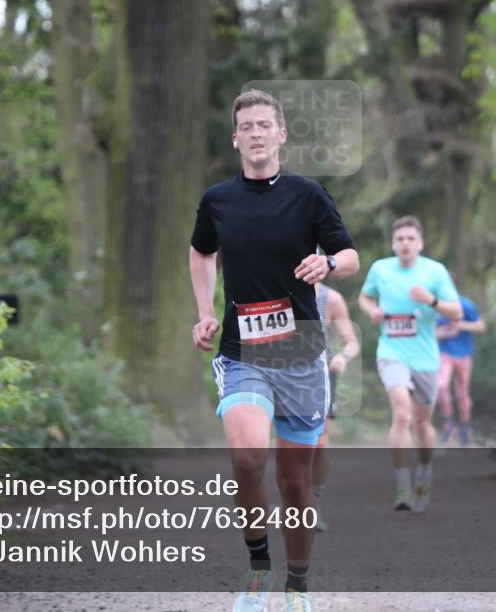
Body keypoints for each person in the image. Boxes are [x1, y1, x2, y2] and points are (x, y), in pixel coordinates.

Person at [190, 89, 359, 612]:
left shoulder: (308, 195)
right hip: (243, 353)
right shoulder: (218, 200)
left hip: (302, 356)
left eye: (266, 124)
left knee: (294, 479)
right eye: (248, 126)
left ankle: (298, 587)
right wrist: (205, 310)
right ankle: (259, 568)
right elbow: (201, 252)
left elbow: (350, 256)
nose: (257, 132)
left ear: (281, 134)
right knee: (246, 457)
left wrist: (328, 266)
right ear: (236, 137)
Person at [358, 216, 461, 514]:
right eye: (400, 238)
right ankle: (403, 486)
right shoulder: (381, 269)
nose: (405, 243)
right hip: (392, 352)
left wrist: (431, 301)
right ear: (393, 242)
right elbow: (364, 297)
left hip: (426, 357)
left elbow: (454, 312)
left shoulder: (434, 271)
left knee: (421, 422)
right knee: (401, 414)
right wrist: (372, 311)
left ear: (420, 243)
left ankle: (425, 471)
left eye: (410, 239)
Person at [311, 281, 360, 532]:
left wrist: (343, 356)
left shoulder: (331, 299)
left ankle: (313, 503)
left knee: (319, 441)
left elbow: (352, 342)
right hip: (284, 370)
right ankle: (294, 503)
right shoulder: (277, 289)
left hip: (322, 373)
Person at [436, 285, 486, 447]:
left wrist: (460, 325)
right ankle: (449, 422)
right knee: (441, 386)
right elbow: (430, 332)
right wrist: (443, 332)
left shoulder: (466, 304)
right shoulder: (436, 307)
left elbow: (480, 327)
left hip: (464, 354)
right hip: (445, 353)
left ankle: (465, 425)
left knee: (462, 393)